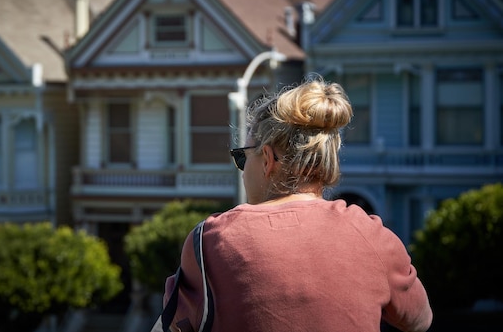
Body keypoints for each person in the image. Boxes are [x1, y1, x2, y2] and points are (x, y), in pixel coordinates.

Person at [163, 75, 433, 332]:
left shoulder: (210, 240)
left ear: (267, 160)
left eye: (242, 158)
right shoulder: (371, 234)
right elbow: (419, 320)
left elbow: (176, 324)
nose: (243, 172)